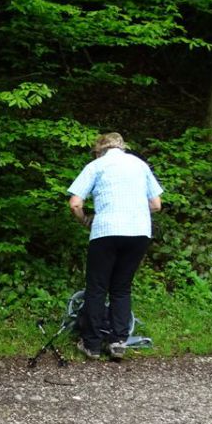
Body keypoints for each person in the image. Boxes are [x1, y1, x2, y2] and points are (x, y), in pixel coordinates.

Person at [67, 132, 163, 360]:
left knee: (97, 287)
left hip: (106, 231)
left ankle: (91, 344)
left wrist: (84, 221)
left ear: (99, 150)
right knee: (121, 287)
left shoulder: (96, 166)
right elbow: (156, 204)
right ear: (122, 147)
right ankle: (118, 341)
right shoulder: (140, 165)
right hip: (139, 231)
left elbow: (75, 203)